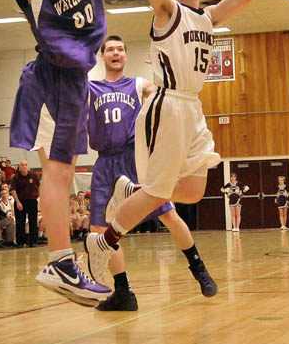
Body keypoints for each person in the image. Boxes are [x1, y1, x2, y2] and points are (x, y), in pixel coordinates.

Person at [0, 0, 158, 307]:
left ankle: (62, 261)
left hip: (74, 81)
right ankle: (60, 261)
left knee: (66, 173)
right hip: (49, 80)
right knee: (59, 173)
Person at [84, 0, 254, 292]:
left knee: (192, 191)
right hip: (167, 104)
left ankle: (131, 191)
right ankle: (103, 243)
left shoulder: (208, 17)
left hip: (193, 106)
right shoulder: (168, 11)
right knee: (160, 193)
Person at [85, 35, 218, 310]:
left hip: (135, 158)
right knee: (100, 229)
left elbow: (167, 94)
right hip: (105, 162)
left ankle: (199, 269)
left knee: (168, 214)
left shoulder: (138, 84)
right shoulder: (90, 88)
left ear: (125, 55)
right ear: (102, 56)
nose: (115, 53)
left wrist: (162, 68)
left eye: (120, 49)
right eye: (110, 50)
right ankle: (123, 291)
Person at [9, 161, 40, 247]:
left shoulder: (33, 175)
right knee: (20, 222)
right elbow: (13, 190)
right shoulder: (16, 177)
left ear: (28, 166)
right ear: (19, 167)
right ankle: (20, 242)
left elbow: (39, 186)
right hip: (20, 201)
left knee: (33, 222)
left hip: (32, 201)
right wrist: (18, 202)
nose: (24, 167)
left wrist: (38, 196)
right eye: (22, 165)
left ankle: (33, 242)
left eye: (26, 165)